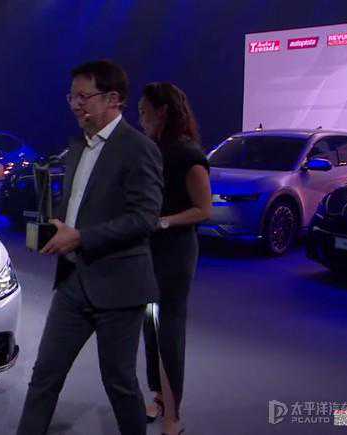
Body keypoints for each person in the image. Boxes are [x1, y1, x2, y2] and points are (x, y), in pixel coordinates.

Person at [17, 60, 163, 435]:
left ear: (113, 99)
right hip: (72, 282)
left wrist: (81, 237)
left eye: (84, 97)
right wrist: (56, 228)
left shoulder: (139, 149)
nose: (75, 105)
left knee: (119, 382)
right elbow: (79, 206)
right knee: (45, 375)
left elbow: (145, 218)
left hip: (119, 286)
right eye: (71, 97)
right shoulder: (78, 147)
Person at [137, 82, 211, 435]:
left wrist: (164, 221)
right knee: (149, 324)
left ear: (162, 112)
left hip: (175, 253)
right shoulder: (151, 150)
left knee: (169, 329)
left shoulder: (188, 155)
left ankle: (173, 415)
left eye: (144, 112)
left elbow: (203, 209)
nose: (140, 119)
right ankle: (158, 396)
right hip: (148, 252)